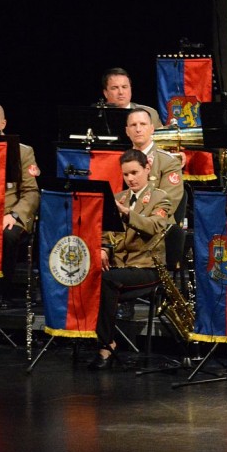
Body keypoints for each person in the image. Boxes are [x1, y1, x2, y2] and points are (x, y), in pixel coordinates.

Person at [89, 149, 173, 370]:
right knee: (92, 275)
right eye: (126, 174)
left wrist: (127, 213)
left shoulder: (160, 197)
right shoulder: (119, 198)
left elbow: (155, 226)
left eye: (135, 172)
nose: (130, 179)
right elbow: (106, 232)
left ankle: (106, 345)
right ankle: (93, 338)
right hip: (120, 267)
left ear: (147, 169)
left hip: (147, 267)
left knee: (106, 281)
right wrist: (103, 249)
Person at [0, 102, 41, 295]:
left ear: (3, 123)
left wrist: (14, 215)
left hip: (9, 214)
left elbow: (31, 192)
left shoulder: (22, 152)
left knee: (8, 234)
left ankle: (3, 291)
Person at [125, 107, 185, 215]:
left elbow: (167, 204)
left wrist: (133, 218)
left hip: (154, 223)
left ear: (152, 129)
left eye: (143, 124)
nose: (138, 129)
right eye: (133, 125)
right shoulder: (119, 160)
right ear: (127, 131)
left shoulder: (169, 162)